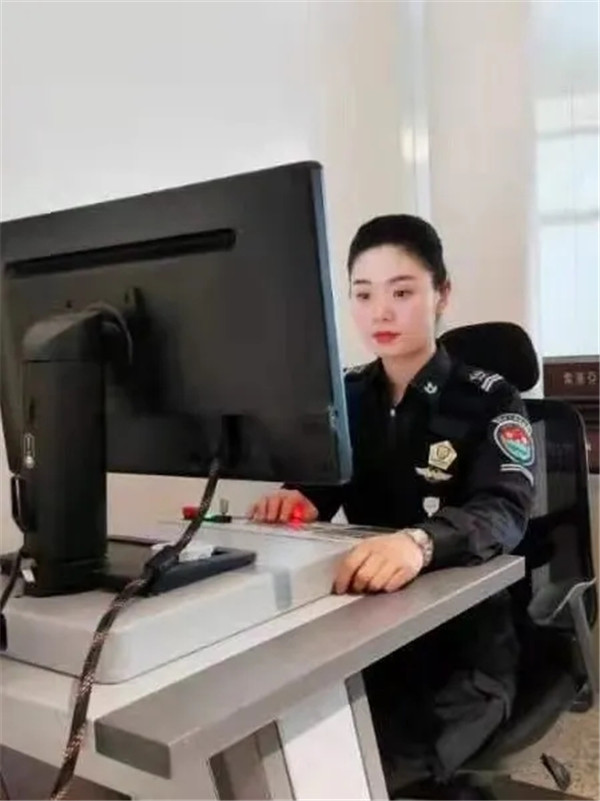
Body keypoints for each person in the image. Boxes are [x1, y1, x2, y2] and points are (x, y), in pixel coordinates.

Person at [248, 215, 535, 793]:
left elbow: (505, 509)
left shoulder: (489, 398)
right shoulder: (347, 398)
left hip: (462, 649)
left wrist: (420, 543)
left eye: (402, 293)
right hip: (364, 631)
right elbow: (322, 487)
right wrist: (294, 499)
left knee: (377, 772)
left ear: (442, 294)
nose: (380, 312)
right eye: (363, 295)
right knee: (288, 755)